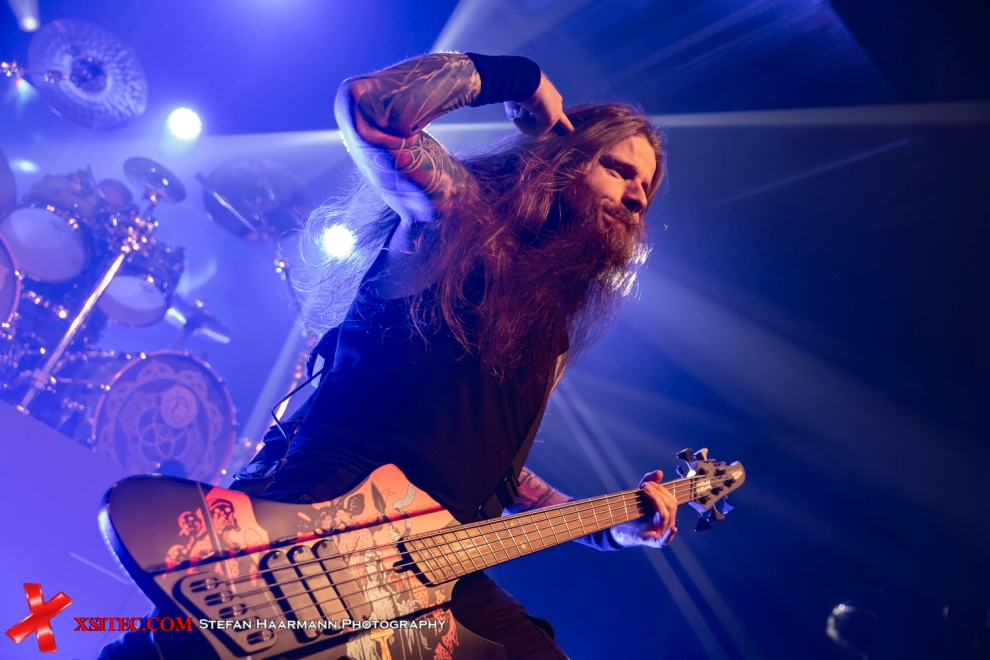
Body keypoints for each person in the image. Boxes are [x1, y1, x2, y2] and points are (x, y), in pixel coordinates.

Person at [98, 52, 677, 660]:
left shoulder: (553, 333)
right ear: (561, 161)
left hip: (436, 567)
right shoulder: (460, 216)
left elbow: (496, 474)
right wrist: (522, 79)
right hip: (326, 520)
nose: (636, 196)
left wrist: (611, 529)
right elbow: (372, 110)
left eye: (646, 189)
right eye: (618, 169)